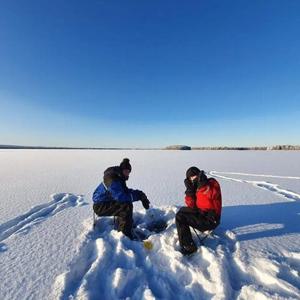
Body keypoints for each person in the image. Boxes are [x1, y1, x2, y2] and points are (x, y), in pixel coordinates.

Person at [92, 158, 150, 240]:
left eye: (129, 172)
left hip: (106, 202)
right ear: (121, 170)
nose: (127, 174)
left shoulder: (119, 178)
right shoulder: (112, 179)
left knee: (126, 204)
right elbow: (121, 197)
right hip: (100, 206)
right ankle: (125, 235)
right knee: (126, 206)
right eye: (126, 171)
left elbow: (125, 192)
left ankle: (124, 226)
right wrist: (139, 197)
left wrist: (140, 194)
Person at [176, 167, 222, 255]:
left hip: (211, 220)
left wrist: (203, 186)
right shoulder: (194, 187)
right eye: (191, 178)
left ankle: (189, 247)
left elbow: (212, 194)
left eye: (195, 176)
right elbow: (191, 205)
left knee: (180, 217)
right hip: (201, 214)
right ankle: (186, 241)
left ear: (199, 175)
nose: (193, 179)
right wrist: (190, 191)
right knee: (181, 211)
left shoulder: (211, 183)